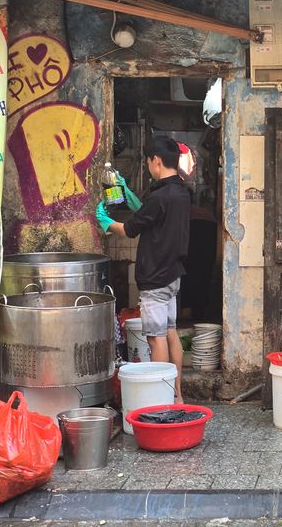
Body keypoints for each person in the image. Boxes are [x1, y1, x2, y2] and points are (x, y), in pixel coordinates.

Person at [96, 136, 191, 404]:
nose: (149, 166)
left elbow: (129, 229)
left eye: (148, 162)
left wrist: (105, 221)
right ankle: (177, 396)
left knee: (155, 339)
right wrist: (129, 195)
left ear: (156, 161)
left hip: (155, 278)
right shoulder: (181, 191)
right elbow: (150, 215)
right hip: (173, 276)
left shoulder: (160, 196)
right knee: (171, 334)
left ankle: (161, 402)